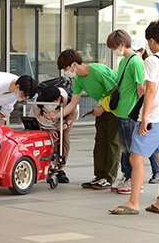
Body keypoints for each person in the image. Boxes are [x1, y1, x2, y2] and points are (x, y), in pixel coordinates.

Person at [110, 20, 159, 215]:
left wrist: (144, 119)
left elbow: (149, 91)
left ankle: (133, 202)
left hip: (152, 119)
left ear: (151, 40)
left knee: (136, 158)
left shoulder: (152, 61)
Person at [46, 49, 120, 190]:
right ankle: (99, 176)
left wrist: (102, 108)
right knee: (100, 142)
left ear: (74, 64)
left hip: (115, 109)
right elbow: (73, 103)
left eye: (66, 68)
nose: (65, 72)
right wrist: (57, 116)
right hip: (102, 108)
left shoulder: (97, 71)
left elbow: (115, 92)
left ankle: (108, 178)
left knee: (113, 143)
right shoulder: (79, 79)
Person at [106, 31, 146, 195]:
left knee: (131, 148)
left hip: (130, 112)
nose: (114, 51)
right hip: (121, 111)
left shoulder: (135, 62)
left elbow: (141, 88)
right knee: (124, 148)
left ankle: (133, 179)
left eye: (114, 47)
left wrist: (141, 112)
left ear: (122, 45)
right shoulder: (124, 61)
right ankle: (126, 176)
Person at [29, 85, 79, 183]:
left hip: (64, 120)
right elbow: (35, 118)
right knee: (51, 140)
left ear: (59, 99)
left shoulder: (69, 100)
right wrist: (49, 129)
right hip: (46, 123)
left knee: (64, 139)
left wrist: (66, 124)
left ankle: (61, 169)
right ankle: (50, 166)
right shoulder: (39, 102)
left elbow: (73, 115)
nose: (49, 106)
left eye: (51, 104)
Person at [132, 38, 159, 185]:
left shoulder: (148, 64)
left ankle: (157, 172)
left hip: (147, 111)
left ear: (143, 51)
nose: (134, 53)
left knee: (145, 146)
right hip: (141, 110)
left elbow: (146, 90)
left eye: (136, 50)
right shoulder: (134, 62)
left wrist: (144, 115)